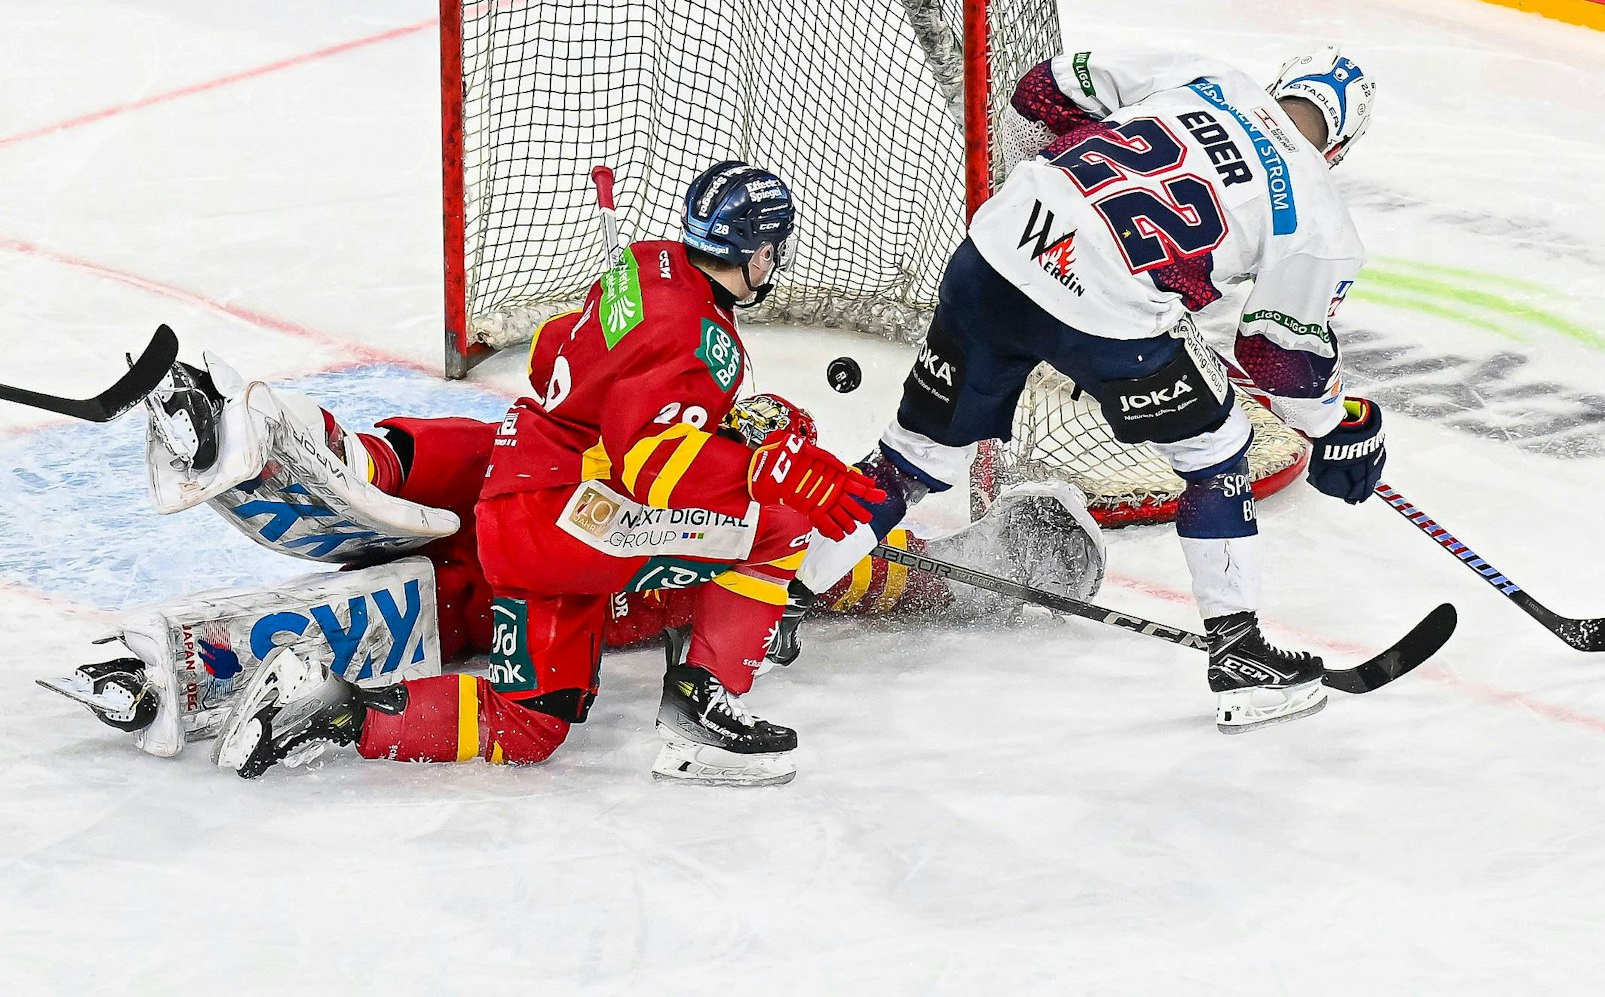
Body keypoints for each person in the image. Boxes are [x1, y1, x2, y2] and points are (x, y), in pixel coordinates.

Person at [209, 161, 885, 785]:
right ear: (759, 252)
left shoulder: (646, 264)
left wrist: (701, 420)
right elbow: (653, 466)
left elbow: (552, 353)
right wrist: (763, 465)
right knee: (781, 523)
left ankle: (329, 707)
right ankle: (701, 720)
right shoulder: (707, 343)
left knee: (527, 725)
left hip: (516, 482)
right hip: (566, 526)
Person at [793, 46, 1389, 733]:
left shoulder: (1209, 76)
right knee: (1217, 451)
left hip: (996, 250)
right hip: (1108, 315)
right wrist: (1336, 426)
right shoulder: (1320, 213)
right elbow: (1276, 356)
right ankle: (1240, 657)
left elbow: (1041, 90)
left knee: (917, 454)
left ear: (1278, 83)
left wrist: (1059, 209)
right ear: (1338, 147)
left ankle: (774, 599)